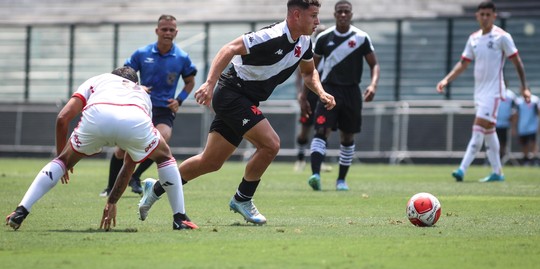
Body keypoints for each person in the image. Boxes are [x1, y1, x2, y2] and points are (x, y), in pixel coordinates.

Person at [136, 0, 335, 225]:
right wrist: (209, 84)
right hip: (231, 93)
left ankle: (155, 188)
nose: (318, 21)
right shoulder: (271, 35)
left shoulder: (306, 42)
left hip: (245, 99)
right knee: (271, 144)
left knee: (210, 162)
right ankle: (243, 198)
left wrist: (321, 92)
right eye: (314, 16)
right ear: (297, 15)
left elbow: (309, 73)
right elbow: (229, 49)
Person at [5, 67, 198, 231]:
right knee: (164, 157)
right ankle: (180, 218)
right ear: (134, 82)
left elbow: (63, 118)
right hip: (134, 118)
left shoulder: (98, 80)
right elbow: (130, 162)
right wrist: (112, 201)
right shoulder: (142, 93)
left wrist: (62, 158)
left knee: (61, 162)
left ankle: (21, 210)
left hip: (98, 116)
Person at [100, 14, 197, 197]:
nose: (167, 33)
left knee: (161, 140)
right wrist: (137, 87)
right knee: (122, 149)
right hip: (141, 107)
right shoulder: (142, 53)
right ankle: (110, 187)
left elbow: (190, 82)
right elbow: (123, 75)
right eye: (164, 29)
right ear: (157, 31)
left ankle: (135, 176)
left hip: (164, 109)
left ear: (176, 32)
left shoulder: (182, 57)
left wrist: (179, 100)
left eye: (171, 30)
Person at [436, 1, 531, 182]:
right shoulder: (473, 38)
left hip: (494, 92)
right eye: (482, 14)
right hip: (479, 92)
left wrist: (524, 87)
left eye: (489, 14)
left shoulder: (502, 37)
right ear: (477, 16)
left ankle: (462, 169)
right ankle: (498, 172)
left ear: (494, 16)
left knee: (478, 128)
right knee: (488, 131)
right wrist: (446, 79)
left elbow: (517, 61)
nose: (485, 17)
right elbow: (463, 63)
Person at [306, 0, 380, 191]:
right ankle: (315, 175)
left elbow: (374, 64)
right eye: (340, 11)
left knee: (347, 136)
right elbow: (310, 68)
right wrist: (304, 94)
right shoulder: (324, 38)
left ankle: (341, 180)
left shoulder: (361, 38)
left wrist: (372, 85)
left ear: (351, 14)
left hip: (352, 92)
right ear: (334, 14)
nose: (343, 15)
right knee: (321, 131)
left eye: (346, 11)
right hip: (329, 90)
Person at [293, 25, 332, 173]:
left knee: (323, 128)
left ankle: (319, 161)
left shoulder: (330, 51)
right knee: (305, 128)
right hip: (310, 94)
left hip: (324, 93)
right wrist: (300, 93)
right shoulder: (310, 50)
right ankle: (300, 159)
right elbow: (300, 74)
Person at [513, 93, 540, 166]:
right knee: (524, 145)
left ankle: (534, 160)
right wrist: (514, 127)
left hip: (532, 127)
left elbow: (538, 113)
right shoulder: (519, 101)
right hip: (522, 127)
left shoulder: (535, 100)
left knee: (533, 144)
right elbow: (516, 115)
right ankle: (526, 160)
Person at [495, 86, 517, 162]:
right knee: (494, 142)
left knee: (503, 142)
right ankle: (494, 158)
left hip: (505, 124)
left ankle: (502, 158)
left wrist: (513, 123)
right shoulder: (495, 92)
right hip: (494, 123)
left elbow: (515, 109)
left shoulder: (511, 95)